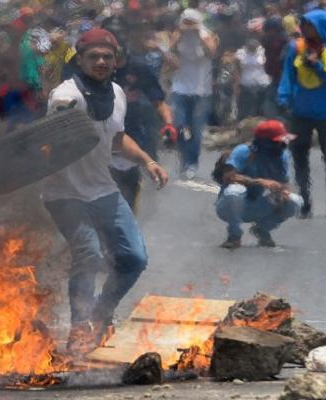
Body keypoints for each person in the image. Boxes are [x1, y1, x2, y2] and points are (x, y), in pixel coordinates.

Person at [43, 28, 168, 354]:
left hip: (102, 189)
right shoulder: (65, 96)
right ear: (79, 59)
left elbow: (115, 138)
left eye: (107, 57)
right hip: (64, 194)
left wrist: (147, 161)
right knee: (89, 253)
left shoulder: (117, 93)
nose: (101, 61)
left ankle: (100, 314)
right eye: (93, 56)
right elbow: (50, 141)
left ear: (116, 61)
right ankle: (79, 328)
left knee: (134, 258)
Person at [278, 9, 326, 219]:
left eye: (309, 25)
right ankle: (305, 199)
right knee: (299, 156)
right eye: (304, 24)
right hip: (301, 112)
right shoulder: (296, 48)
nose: (306, 28)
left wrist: (319, 68)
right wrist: (284, 97)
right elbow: (288, 76)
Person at [215, 120, 303, 249]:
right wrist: (259, 181)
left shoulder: (282, 156)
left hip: (258, 205)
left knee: (295, 201)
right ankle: (234, 235)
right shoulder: (243, 151)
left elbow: (285, 184)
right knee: (235, 190)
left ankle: (262, 229)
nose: (283, 144)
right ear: (265, 143)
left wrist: (281, 191)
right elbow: (228, 177)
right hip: (229, 206)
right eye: (278, 141)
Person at [109, 44, 176, 212]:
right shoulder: (88, 72)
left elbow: (158, 101)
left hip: (129, 129)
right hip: (96, 133)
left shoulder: (138, 69)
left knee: (126, 180)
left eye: (118, 59)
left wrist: (168, 123)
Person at [168, 9, 217, 179]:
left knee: (196, 129)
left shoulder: (206, 35)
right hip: (180, 87)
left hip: (200, 90)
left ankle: (192, 163)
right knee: (179, 126)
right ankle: (184, 158)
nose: (188, 25)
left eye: (192, 21)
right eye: (186, 21)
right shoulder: (178, 34)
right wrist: (180, 33)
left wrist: (199, 35)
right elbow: (170, 51)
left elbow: (212, 53)